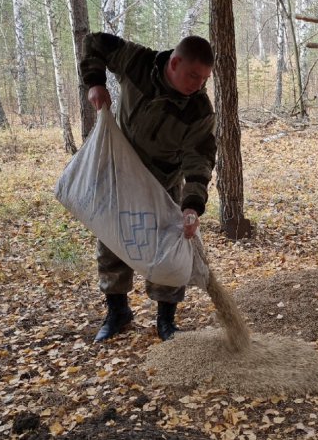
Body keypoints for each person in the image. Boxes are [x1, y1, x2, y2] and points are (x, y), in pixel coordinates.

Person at [79, 33, 216, 342]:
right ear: (175, 62)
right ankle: (118, 313)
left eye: (205, 78)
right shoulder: (138, 62)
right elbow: (94, 43)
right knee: (112, 243)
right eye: (194, 75)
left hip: (162, 184)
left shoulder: (199, 111)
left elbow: (200, 159)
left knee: (169, 248)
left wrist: (192, 204)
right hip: (120, 175)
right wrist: (95, 82)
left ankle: (166, 321)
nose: (199, 83)